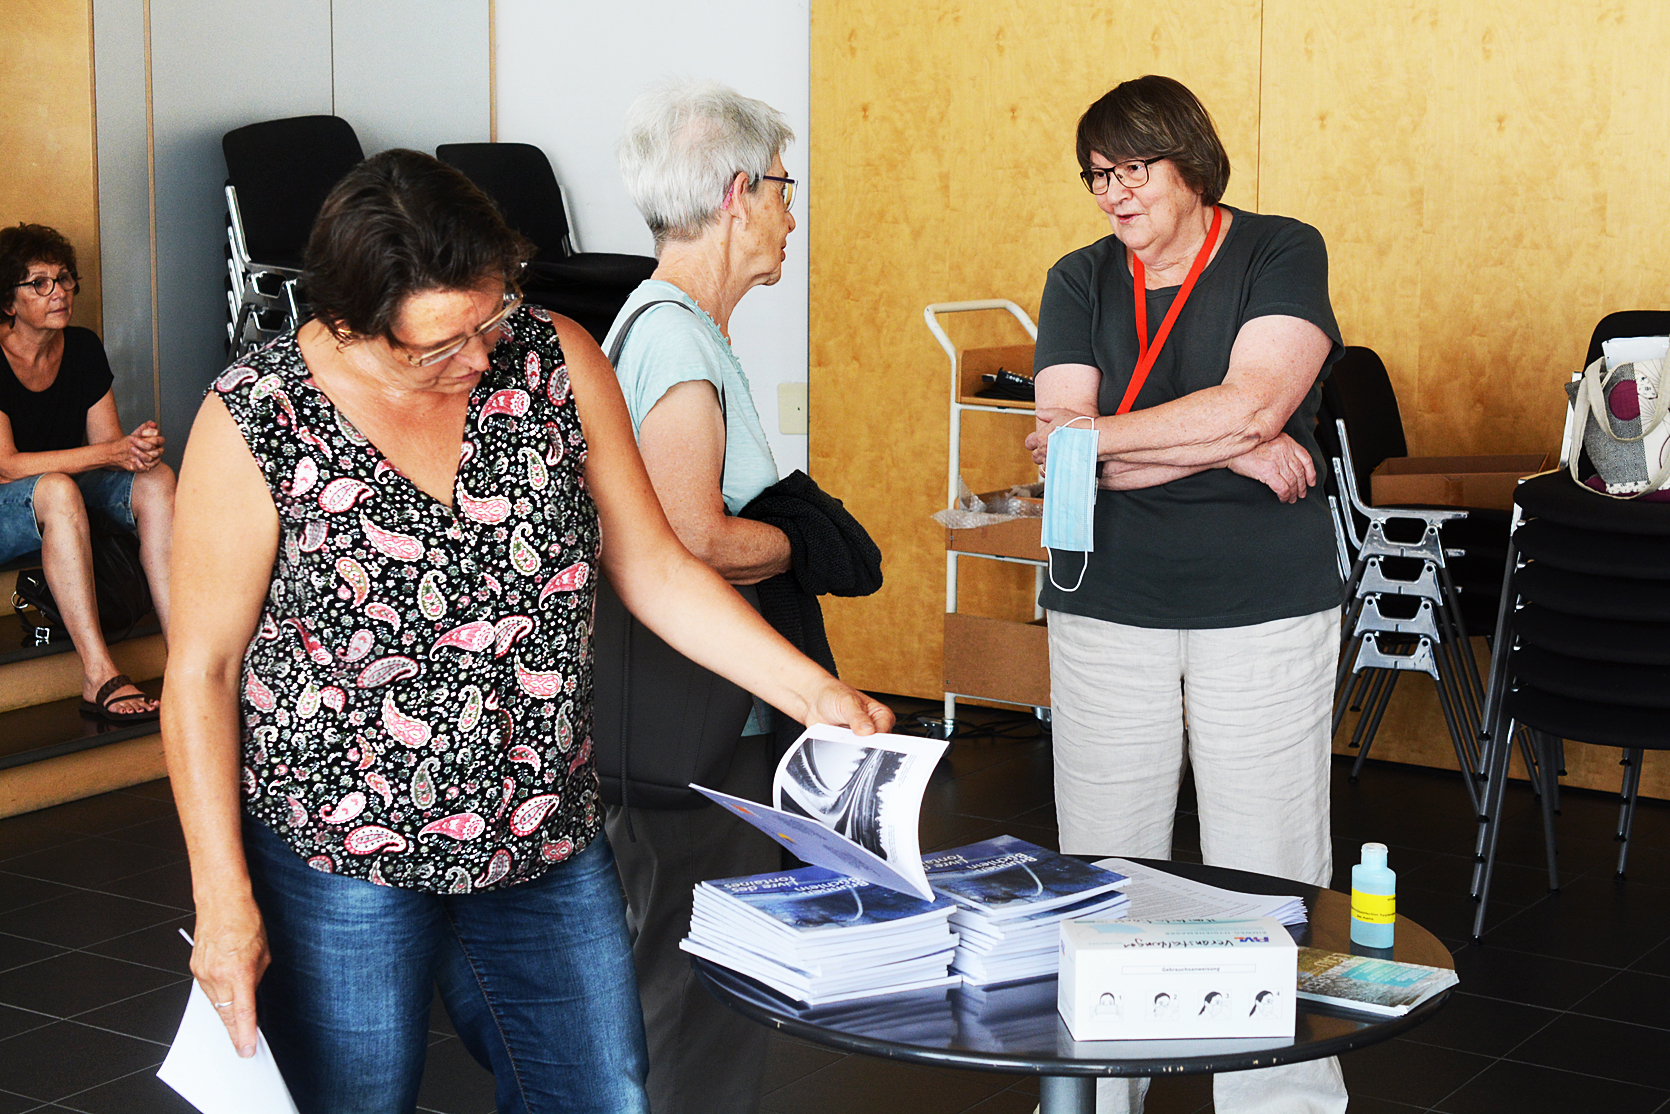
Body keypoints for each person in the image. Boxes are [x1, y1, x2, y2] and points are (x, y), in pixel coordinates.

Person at [161, 149, 893, 1114]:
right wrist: (222, 901)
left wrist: (815, 693)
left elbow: (658, 567)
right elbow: (202, 670)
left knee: (601, 1094)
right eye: (434, 346)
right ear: (346, 323)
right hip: (341, 848)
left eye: (489, 316)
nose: (473, 357)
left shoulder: (554, 357)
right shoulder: (261, 414)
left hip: (539, 828)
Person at [1025, 76, 1346, 1113]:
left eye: (1131, 169)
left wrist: (1124, 439)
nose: (1111, 194)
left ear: (1189, 162)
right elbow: (1051, 453)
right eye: (1096, 176)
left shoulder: (1276, 249)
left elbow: (1253, 400)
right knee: (1103, 871)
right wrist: (1230, 449)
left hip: (1259, 603)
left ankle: (1279, 1102)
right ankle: (1091, 1095)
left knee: (1268, 872)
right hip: (1104, 600)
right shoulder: (1076, 280)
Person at [600, 78, 803, 1114]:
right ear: (735, 192)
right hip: (700, 721)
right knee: (701, 976)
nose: (789, 213)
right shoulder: (674, 336)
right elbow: (687, 538)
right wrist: (798, 543)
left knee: (684, 970)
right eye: (780, 187)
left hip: (690, 710)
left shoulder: (670, 327)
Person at [0, 222, 173, 723]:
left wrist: (135, 453)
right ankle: (98, 675)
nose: (59, 292)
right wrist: (112, 453)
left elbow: (107, 447)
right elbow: (7, 466)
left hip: (60, 496)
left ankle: (185, 654)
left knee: (156, 480)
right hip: (10, 503)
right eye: (39, 283)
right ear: (8, 302)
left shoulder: (81, 346)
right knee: (55, 490)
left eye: (64, 279)